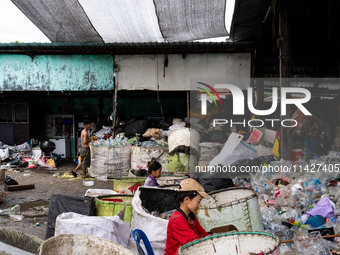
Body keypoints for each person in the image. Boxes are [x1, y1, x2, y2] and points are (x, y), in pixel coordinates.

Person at [164, 178, 210, 255]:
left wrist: (213, 240)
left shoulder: (191, 216)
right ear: (187, 200)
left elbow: (203, 234)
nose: (200, 205)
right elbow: (194, 243)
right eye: (198, 201)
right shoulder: (177, 219)